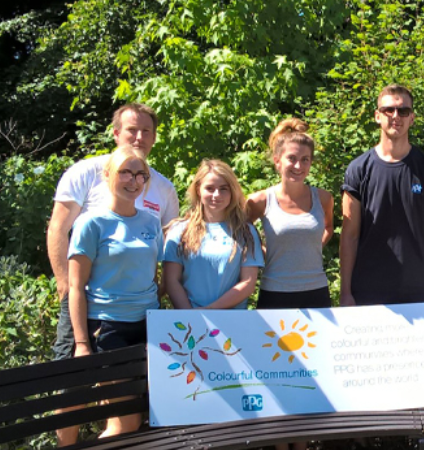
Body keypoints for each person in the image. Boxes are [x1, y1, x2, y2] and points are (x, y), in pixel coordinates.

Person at [47, 103, 178, 446]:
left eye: (146, 131)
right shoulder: (85, 172)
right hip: (88, 306)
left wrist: (156, 294)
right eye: (132, 129)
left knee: (125, 405)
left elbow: (167, 252)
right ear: (116, 132)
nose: (139, 136)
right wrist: (69, 290)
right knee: (73, 389)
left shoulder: (162, 189)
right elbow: (59, 229)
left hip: (138, 315)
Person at [339, 84, 424, 322]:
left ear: (412, 118)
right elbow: (349, 235)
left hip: (421, 290)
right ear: (377, 116)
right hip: (369, 290)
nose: (396, 116)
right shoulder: (358, 170)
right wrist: (345, 292)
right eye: (389, 110)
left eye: (403, 111)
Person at [68, 145, 163, 439]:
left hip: (151, 326)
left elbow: (152, 273)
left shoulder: (151, 221)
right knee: (126, 423)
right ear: (108, 175)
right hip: (110, 330)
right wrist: (83, 342)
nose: (133, 181)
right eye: (125, 172)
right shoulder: (90, 223)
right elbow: (75, 287)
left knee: (150, 417)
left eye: (140, 175)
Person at [246, 118, 334, 310]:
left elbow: (328, 227)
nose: (298, 166)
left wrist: (311, 245)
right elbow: (240, 230)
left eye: (305, 160)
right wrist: (263, 253)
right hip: (275, 292)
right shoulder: (260, 201)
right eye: (292, 159)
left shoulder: (323, 198)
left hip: (316, 291)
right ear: (278, 161)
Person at [163, 159, 263, 310]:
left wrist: (209, 311)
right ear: (198, 190)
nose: (217, 195)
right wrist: (189, 315)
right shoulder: (179, 230)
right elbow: (171, 280)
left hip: (233, 320)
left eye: (224, 189)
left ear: (232, 191)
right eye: (210, 188)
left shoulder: (245, 232)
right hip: (188, 321)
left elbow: (248, 282)